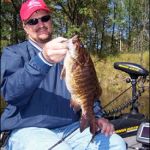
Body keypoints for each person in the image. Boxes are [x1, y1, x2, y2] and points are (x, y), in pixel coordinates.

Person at [0, 0, 126, 149]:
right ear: (24, 26)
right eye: (33, 21)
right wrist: (43, 60)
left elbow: (88, 87)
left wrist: (97, 116)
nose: (41, 24)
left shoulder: (69, 52)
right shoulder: (13, 53)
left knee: (116, 144)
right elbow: (11, 93)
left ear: (51, 20)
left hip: (71, 128)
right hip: (27, 129)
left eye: (45, 18)